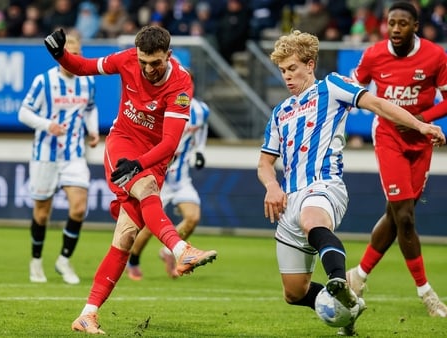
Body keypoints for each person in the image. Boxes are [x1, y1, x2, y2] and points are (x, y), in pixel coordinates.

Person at [258, 30, 444, 336]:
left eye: (292, 68)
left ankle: (340, 281)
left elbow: (379, 105)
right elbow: (265, 163)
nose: (287, 77)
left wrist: (421, 125)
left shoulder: (331, 87)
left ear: (310, 64)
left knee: (312, 219)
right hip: (288, 198)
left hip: (324, 186)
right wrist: (271, 186)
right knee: (294, 292)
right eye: (282, 71)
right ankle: (350, 307)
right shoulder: (280, 113)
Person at [44, 25, 218, 334]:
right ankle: (180, 250)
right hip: (122, 144)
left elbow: (169, 145)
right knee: (146, 189)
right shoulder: (126, 59)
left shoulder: (180, 83)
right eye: (143, 62)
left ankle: (88, 314)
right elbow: (83, 67)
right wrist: (60, 55)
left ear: (169, 56)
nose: (148, 69)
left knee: (124, 238)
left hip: (151, 159)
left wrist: (140, 165)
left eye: (156, 63)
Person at [347, 1, 447, 318]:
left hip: (421, 143)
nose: (395, 29)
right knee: (404, 216)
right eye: (391, 23)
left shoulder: (435, 56)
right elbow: (353, 87)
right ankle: (426, 293)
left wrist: (422, 118)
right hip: (388, 138)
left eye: (403, 24)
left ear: (415, 26)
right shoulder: (374, 54)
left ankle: (358, 276)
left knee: (397, 215)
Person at [18, 31, 99, 285]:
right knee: (42, 214)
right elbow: (23, 112)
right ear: (60, 56)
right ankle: (36, 261)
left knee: (79, 207)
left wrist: (93, 130)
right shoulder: (44, 82)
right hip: (45, 155)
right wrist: (46, 124)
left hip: (74, 154)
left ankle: (64, 260)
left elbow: (90, 108)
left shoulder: (88, 82)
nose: (74, 60)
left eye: (77, 54)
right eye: (69, 55)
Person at [126, 95, 209, 280]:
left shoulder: (200, 110)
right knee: (149, 226)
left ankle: (169, 251)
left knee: (193, 217)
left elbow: (202, 128)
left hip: (181, 180)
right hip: (158, 180)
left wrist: (200, 151)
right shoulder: (158, 108)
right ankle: (133, 260)